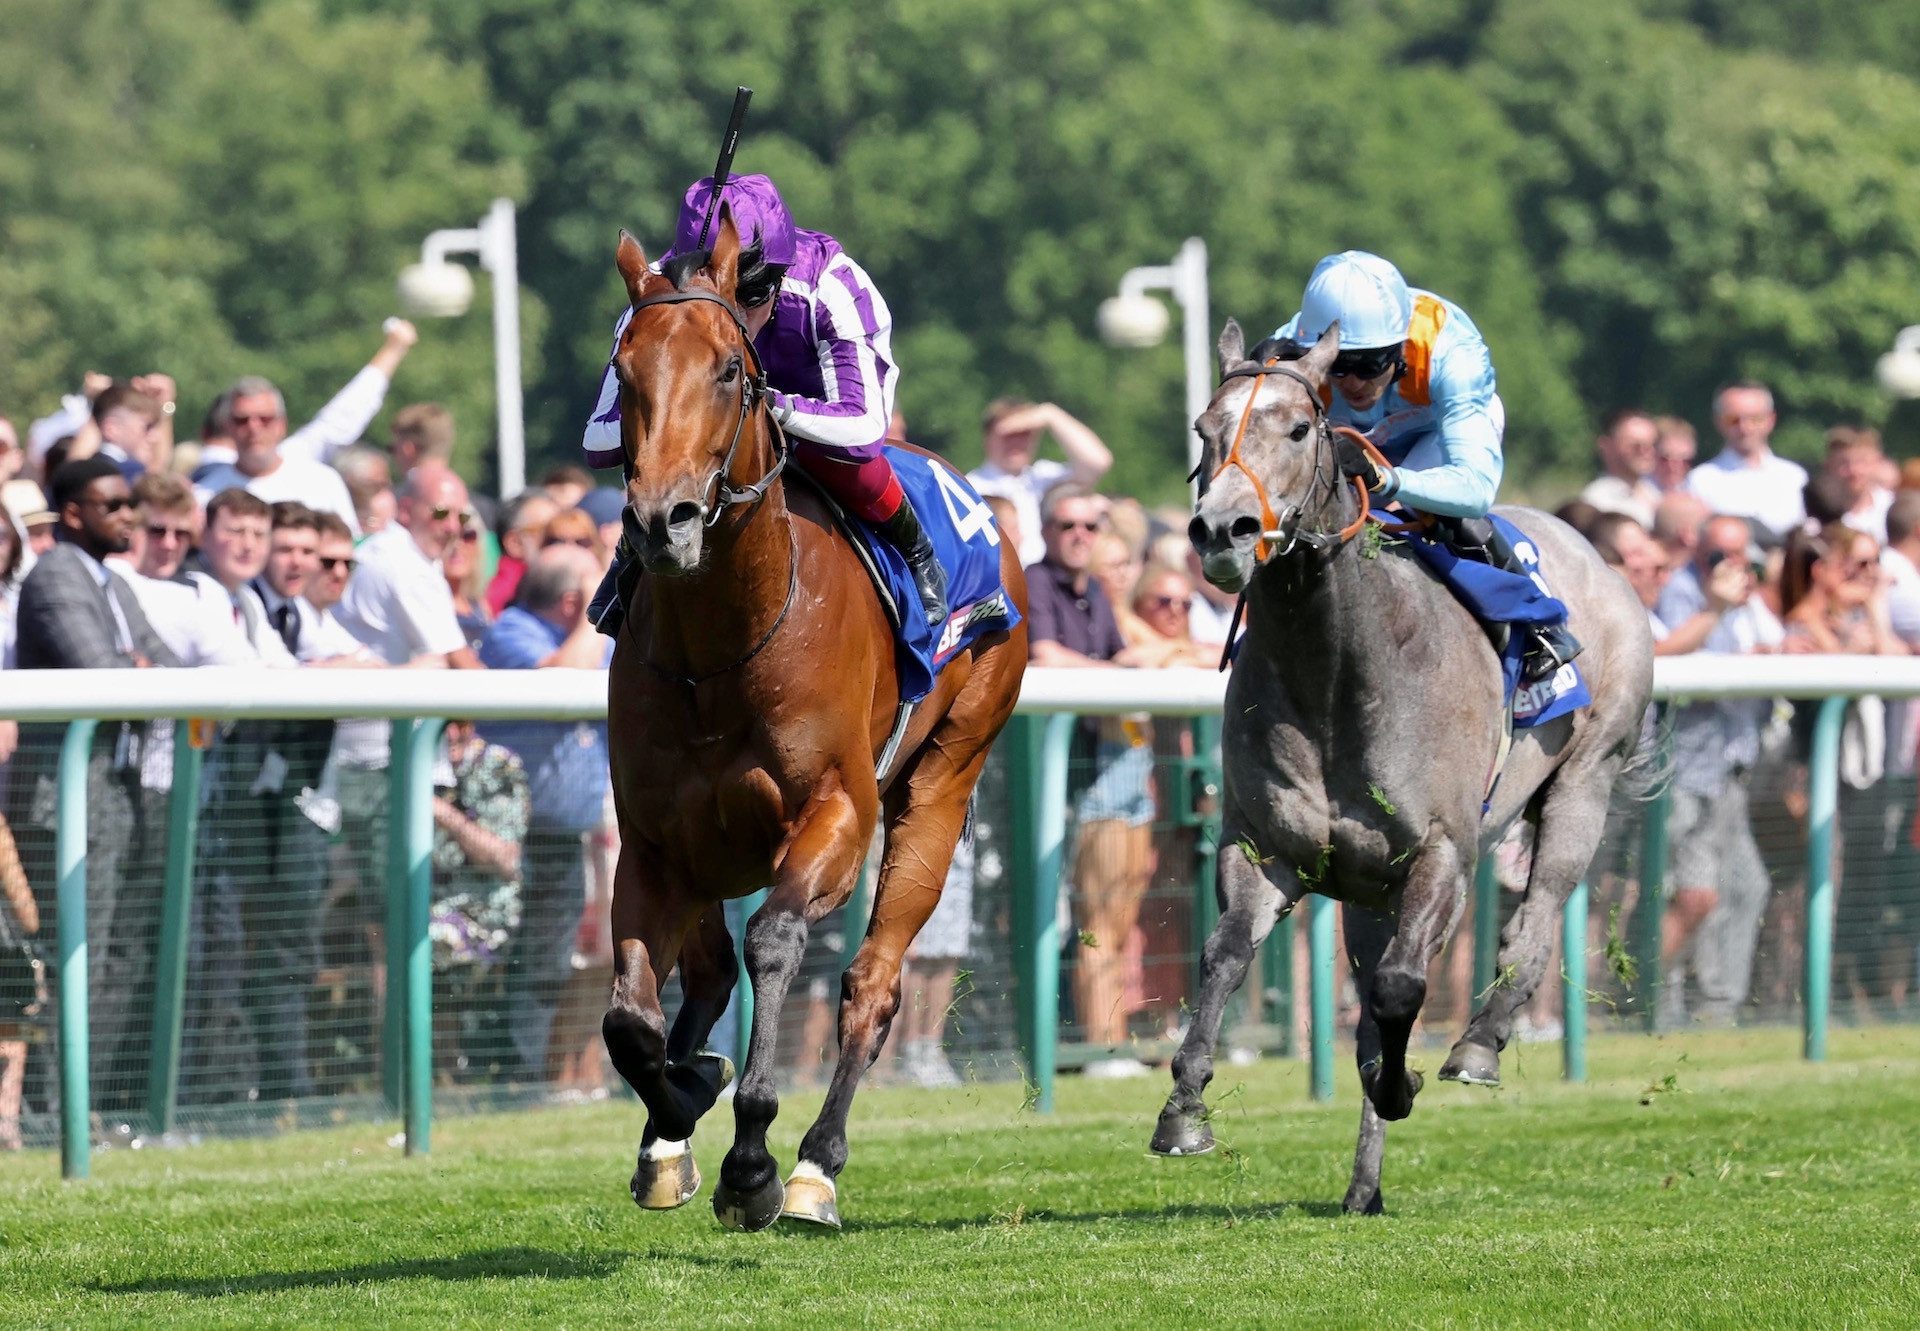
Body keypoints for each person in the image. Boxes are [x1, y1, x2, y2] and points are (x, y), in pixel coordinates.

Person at [582, 172, 950, 628]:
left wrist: (768, 405)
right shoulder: (657, 300)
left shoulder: (832, 288)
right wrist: (667, 417)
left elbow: (864, 428)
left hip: (814, 413)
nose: (737, 320)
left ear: (779, 276)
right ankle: (630, 552)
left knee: (833, 460)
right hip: (712, 428)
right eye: (723, 299)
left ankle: (914, 547)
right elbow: (598, 442)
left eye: (751, 297)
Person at [1269, 250, 1580, 683]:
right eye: (1338, 365)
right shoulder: (1292, 348)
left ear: (1399, 348)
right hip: (1350, 438)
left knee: (1428, 513)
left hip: (1436, 434)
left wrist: (1387, 480)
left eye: (1370, 365)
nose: (1352, 383)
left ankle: (1539, 624)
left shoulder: (1452, 352)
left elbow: (1474, 489)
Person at [6, 457, 179, 1112]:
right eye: (114, 505)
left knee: (117, 959)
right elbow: (105, 676)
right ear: (74, 512)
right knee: (74, 961)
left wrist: (139, 669)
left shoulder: (110, 579)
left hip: (118, 792)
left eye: (131, 503)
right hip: (68, 803)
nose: (129, 516)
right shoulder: (55, 577)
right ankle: (59, 1117)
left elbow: (165, 664)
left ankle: (90, 1108)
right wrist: (134, 670)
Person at [477, 546, 609, 1081]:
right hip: (508, 837)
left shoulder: (589, 636)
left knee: (550, 964)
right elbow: (564, 678)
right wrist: (596, 610)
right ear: (573, 600)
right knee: (511, 960)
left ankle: (532, 1077)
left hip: (566, 837)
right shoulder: (512, 630)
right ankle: (509, 1077)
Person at [1653, 514, 1783, 1028]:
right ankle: (1654, 1007)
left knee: (1746, 887)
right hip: (1683, 769)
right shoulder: (1683, 593)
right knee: (1693, 896)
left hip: (1729, 768)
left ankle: (1718, 1009)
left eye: (1740, 558)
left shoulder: (1746, 598)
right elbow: (1671, 659)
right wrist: (1718, 610)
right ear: (1695, 549)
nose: (1730, 568)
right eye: (1717, 557)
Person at [966, 399, 1114, 567]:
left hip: (1045, 581)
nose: (1017, 442)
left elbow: (1098, 462)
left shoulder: (1041, 477)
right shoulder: (971, 487)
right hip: (1000, 582)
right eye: (1009, 435)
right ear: (988, 438)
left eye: (1025, 434)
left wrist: (1050, 415)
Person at [1685, 381, 1807, 543]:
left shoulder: (1794, 477)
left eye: (1755, 419)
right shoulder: (1701, 481)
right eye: (1733, 420)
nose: (1745, 428)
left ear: (1771, 420)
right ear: (1718, 422)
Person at [1579, 408, 1661, 528]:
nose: (1646, 452)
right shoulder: (1596, 501)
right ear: (1606, 446)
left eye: (1652, 444)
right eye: (1636, 446)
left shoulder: (1658, 493)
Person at [485, 489, 560, 617]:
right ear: (515, 543)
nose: (559, 537)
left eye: (561, 526)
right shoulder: (505, 599)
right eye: (547, 530)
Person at [1824, 426, 1895, 544]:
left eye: (1861, 462)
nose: (1853, 471)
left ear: (1877, 463)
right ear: (1829, 465)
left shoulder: (1891, 508)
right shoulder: (1819, 515)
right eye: (1843, 464)